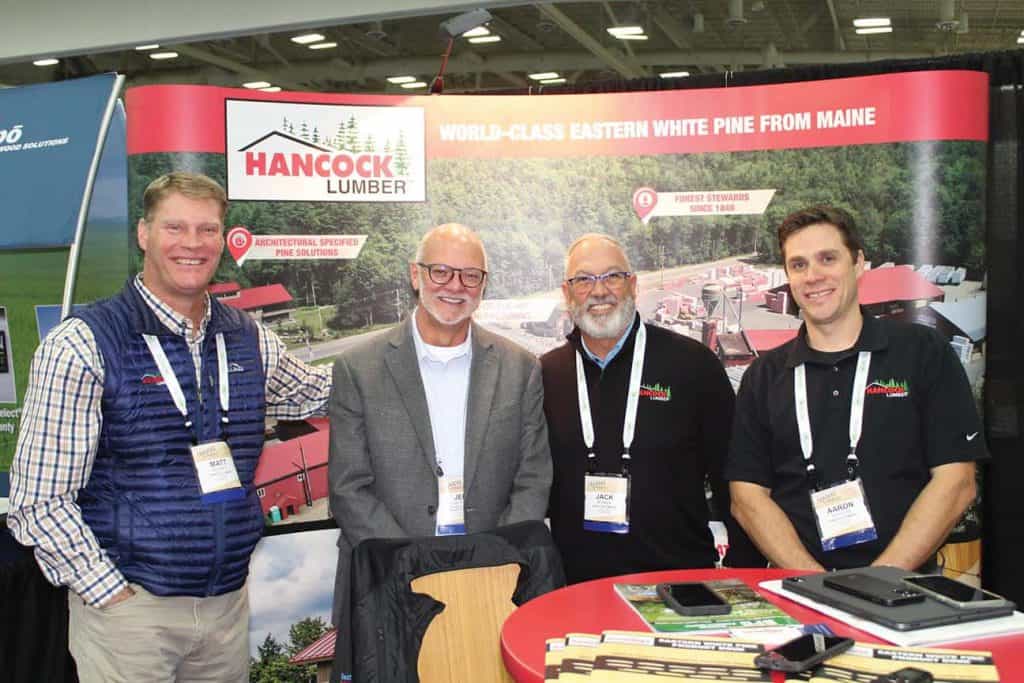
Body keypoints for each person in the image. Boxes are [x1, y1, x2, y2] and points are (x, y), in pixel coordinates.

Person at [7, 172, 332, 682]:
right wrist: (107, 592)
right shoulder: (83, 344)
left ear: (223, 239)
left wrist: (418, 349)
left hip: (226, 607)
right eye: (175, 227)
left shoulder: (247, 336)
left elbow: (315, 391)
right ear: (143, 233)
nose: (192, 244)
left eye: (207, 230)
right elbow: (39, 501)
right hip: (132, 614)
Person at [328, 223, 552, 671]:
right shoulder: (358, 367)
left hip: (494, 587)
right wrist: (414, 565)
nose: (455, 286)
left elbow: (533, 477)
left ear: (483, 285)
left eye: (470, 276)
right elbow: (349, 487)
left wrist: (490, 565)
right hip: (387, 586)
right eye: (441, 271)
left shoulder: (519, 367)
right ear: (415, 275)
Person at [725, 205, 984, 571]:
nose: (813, 276)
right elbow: (747, 497)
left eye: (827, 258)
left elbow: (956, 481)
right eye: (798, 265)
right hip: (799, 594)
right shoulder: (764, 374)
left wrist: (878, 581)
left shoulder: (923, 352)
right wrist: (815, 585)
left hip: (905, 593)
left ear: (859, 262)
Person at [541, 233, 739, 584]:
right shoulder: (545, 375)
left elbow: (734, 484)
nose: (599, 290)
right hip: (574, 591)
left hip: (680, 587)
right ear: (567, 293)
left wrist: (742, 576)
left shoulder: (693, 366)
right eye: (584, 279)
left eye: (612, 276)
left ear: (633, 285)